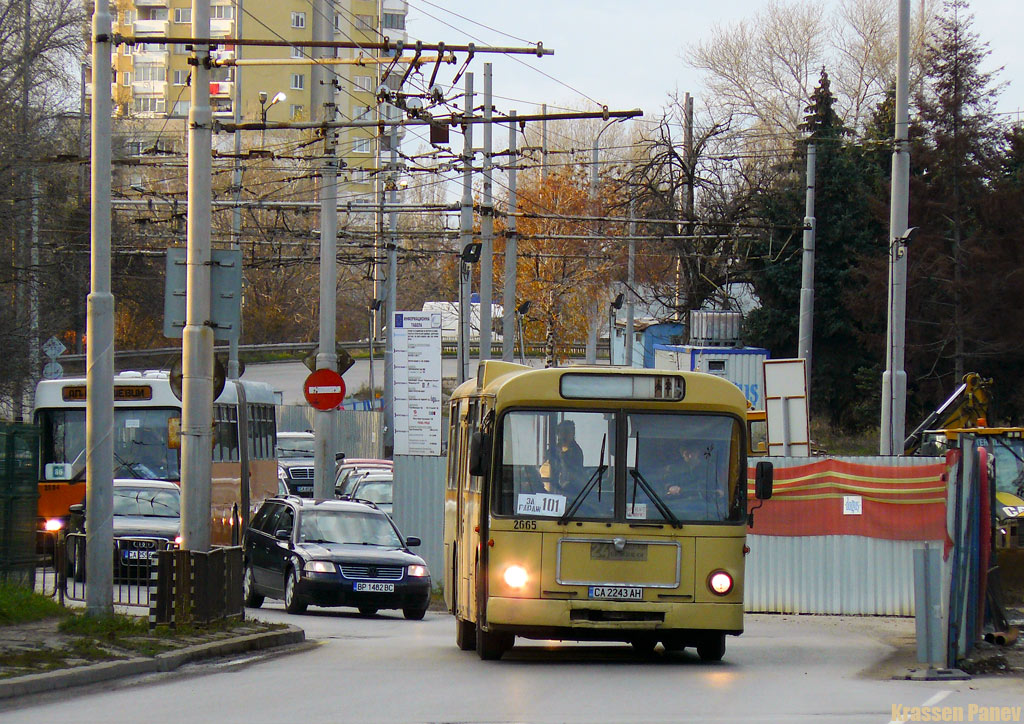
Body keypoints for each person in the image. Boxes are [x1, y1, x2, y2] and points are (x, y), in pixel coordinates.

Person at [540, 420, 584, 495]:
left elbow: (570, 475)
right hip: (547, 490)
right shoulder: (553, 450)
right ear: (558, 433)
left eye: (568, 432)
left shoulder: (575, 452)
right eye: (562, 432)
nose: (565, 435)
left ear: (573, 434)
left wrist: (561, 456)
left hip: (566, 492)